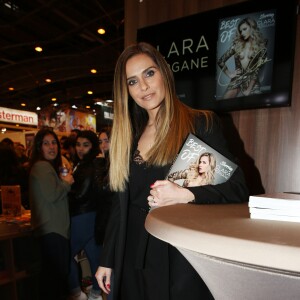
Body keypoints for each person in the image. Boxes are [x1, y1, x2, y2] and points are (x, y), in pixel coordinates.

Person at [95, 42, 249, 300]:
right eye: (132, 82)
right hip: (131, 249)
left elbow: (238, 187)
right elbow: (119, 206)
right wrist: (107, 259)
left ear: (164, 73)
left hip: (177, 253)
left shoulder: (201, 122)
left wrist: (185, 195)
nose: (143, 87)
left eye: (149, 73)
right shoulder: (128, 137)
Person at [28, 128, 74, 300]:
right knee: (55, 280)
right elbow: (53, 194)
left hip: (51, 230)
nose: (51, 147)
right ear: (39, 147)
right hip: (52, 231)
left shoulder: (45, 167)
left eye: (54, 142)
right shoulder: (42, 166)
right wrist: (66, 183)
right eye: (46, 143)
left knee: (52, 279)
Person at [68, 130, 103, 300]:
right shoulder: (86, 163)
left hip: (82, 216)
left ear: (93, 146)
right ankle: (95, 294)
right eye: (78, 144)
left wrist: (65, 190)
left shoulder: (89, 165)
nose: (81, 149)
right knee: (95, 257)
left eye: (85, 145)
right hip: (90, 215)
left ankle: (76, 292)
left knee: (65, 254)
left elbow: (81, 195)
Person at [217, 17, 267, 99]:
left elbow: (257, 71)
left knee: (257, 103)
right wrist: (230, 74)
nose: (242, 33)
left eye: (244, 29)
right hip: (237, 80)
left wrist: (248, 90)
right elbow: (220, 61)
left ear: (252, 28)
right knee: (223, 102)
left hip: (252, 81)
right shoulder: (236, 46)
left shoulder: (261, 47)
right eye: (240, 31)